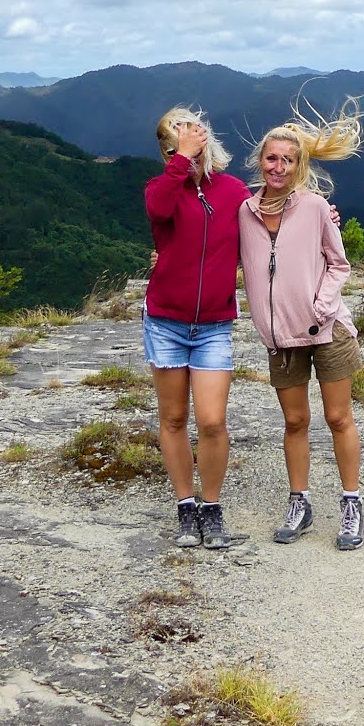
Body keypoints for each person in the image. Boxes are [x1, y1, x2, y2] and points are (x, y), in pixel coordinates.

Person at [237, 99, 364, 551]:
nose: (278, 166)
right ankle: (300, 502)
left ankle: (351, 504)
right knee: (295, 421)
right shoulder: (243, 213)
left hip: (327, 330)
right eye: (271, 158)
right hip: (280, 338)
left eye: (287, 160)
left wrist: (321, 304)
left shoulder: (314, 207)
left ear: (299, 166)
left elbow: (339, 264)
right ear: (260, 162)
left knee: (337, 416)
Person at [142, 106, 250, 549]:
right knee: (173, 418)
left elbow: (272, 222)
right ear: (170, 150)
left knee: (212, 420)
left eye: (194, 135)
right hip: (165, 321)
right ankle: (185, 507)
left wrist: (325, 219)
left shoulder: (233, 191)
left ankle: (212, 507)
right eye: (177, 141)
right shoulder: (161, 188)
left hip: (213, 326)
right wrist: (180, 162)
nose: (189, 146)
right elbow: (158, 207)